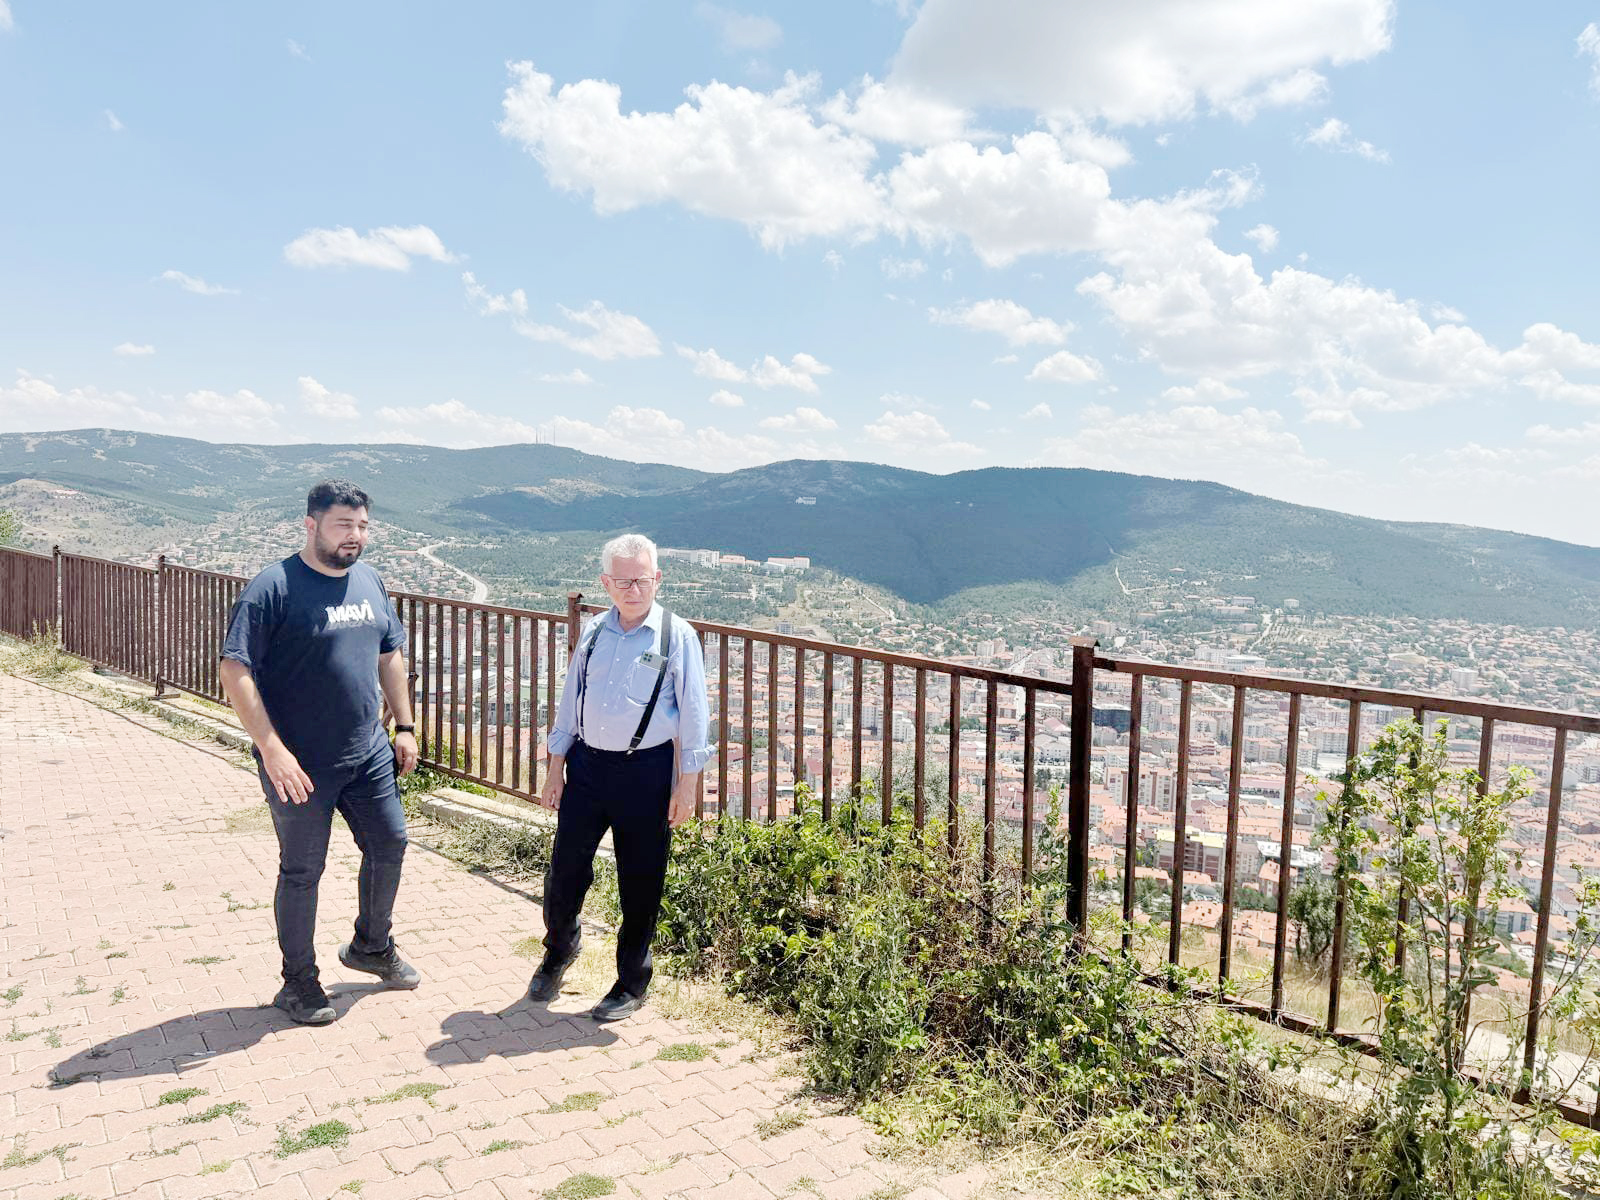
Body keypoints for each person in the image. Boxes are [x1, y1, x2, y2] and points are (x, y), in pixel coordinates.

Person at [219, 480, 421, 1026]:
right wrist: (271, 749)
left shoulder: (370, 581)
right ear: (311, 525)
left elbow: (390, 654)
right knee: (304, 869)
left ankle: (371, 947)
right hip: (299, 763)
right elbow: (234, 670)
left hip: (368, 752)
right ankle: (298, 983)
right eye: (342, 525)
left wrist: (403, 725)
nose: (354, 536)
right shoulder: (273, 587)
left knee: (391, 844)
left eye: (361, 526)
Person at [530, 533, 711, 1021]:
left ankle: (631, 982)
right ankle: (560, 947)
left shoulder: (677, 637)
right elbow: (572, 703)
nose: (635, 589)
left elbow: (694, 716)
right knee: (566, 869)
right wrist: (555, 769)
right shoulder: (593, 632)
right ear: (607, 583)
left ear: (658, 578)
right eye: (624, 580)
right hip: (587, 767)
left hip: (646, 772)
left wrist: (687, 785)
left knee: (641, 879)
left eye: (644, 579)